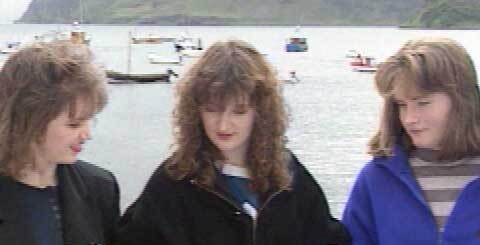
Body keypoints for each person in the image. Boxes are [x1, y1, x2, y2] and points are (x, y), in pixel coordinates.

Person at [117, 39, 351, 245]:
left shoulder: (289, 176)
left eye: (239, 112)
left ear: (260, 112)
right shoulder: (173, 180)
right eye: (212, 110)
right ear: (195, 111)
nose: (223, 125)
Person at [342, 37, 480, 244]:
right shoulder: (376, 179)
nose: (409, 119)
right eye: (401, 105)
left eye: (422, 103)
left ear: (463, 100)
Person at [0, 40, 120, 245]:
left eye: (89, 120)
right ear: (29, 120)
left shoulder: (100, 186)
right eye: (74, 125)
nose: (87, 134)